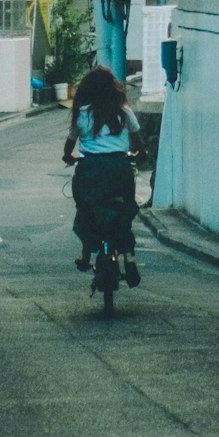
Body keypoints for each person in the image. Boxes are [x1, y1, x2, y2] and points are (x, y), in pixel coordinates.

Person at [63, 65, 147, 284]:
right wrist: (140, 156)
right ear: (113, 89)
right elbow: (138, 144)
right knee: (125, 211)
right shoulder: (124, 112)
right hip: (119, 169)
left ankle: (85, 254)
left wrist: (68, 157)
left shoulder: (81, 114)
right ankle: (129, 258)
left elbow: (69, 146)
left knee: (85, 209)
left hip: (89, 170)